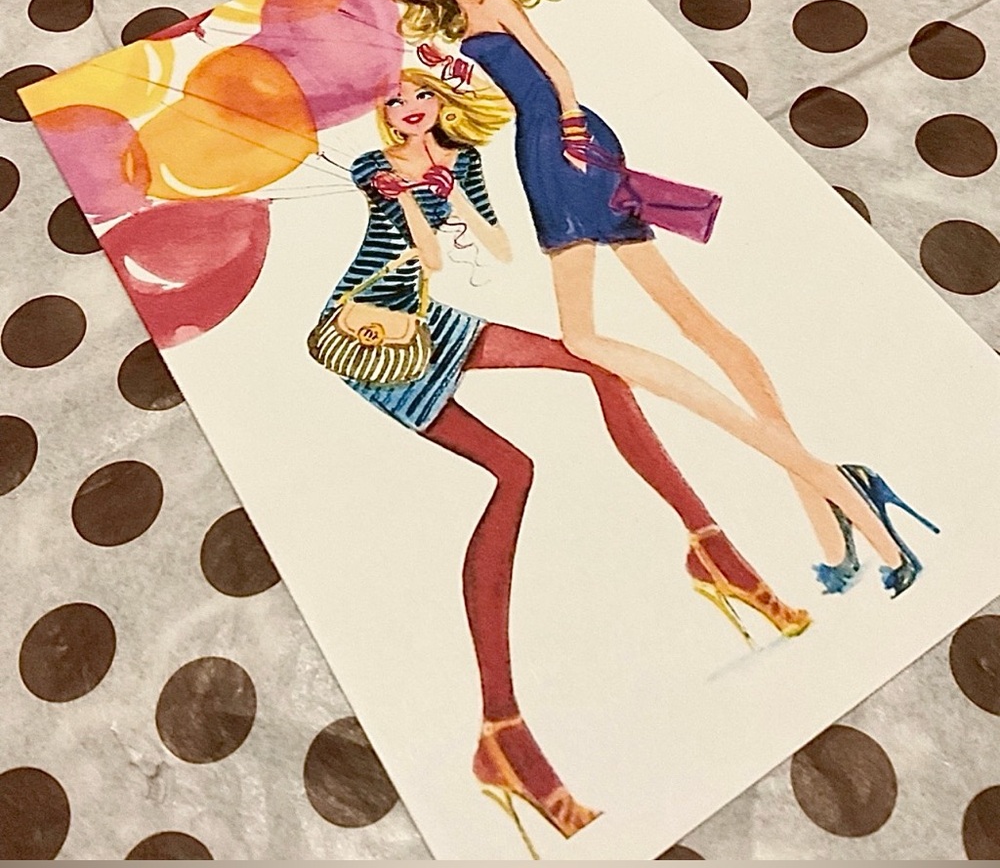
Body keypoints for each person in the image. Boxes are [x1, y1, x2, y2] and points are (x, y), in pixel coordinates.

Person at [372, 0, 939, 601]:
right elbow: (493, 98)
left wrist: (572, 129)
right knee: (685, 314)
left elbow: (555, 69)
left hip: (563, 146)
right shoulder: (459, 33)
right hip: (538, 149)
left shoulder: (492, 0)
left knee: (588, 336)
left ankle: (824, 480)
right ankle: (829, 500)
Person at [309, 69, 810, 852]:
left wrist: (458, 192)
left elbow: (495, 242)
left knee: (599, 364)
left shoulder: (463, 159)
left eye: (420, 97)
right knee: (514, 472)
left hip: (430, 319)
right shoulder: (374, 167)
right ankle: (501, 732)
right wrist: (411, 196)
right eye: (395, 103)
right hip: (374, 335)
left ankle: (711, 547)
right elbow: (427, 256)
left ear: (439, 104)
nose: (408, 110)